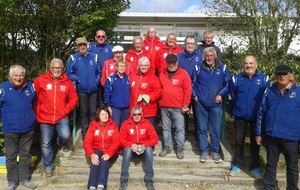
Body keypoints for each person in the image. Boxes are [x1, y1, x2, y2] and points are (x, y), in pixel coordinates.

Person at [256, 64, 300, 190]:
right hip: (272, 135)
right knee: (270, 165)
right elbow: (261, 113)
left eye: (285, 74)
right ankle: (269, 186)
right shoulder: (268, 91)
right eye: (279, 74)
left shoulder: (298, 92)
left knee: (292, 166)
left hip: (291, 138)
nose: (282, 76)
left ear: (291, 75)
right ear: (275, 76)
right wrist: (258, 133)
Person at [34, 58, 78, 177]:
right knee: (45, 142)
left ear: (62, 68)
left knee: (65, 135)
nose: (57, 70)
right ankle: (48, 166)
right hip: (45, 117)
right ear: (50, 68)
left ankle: (59, 143)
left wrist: (66, 110)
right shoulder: (40, 80)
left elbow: (74, 99)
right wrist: (37, 111)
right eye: (55, 68)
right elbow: (34, 96)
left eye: (59, 68)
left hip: (61, 116)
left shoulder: (67, 82)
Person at [229, 56, 270, 178]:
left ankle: (255, 166)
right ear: (243, 65)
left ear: (256, 65)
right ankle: (237, 164)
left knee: (255, 142)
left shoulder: (264, 79)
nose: (249, 65)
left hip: (256, 118)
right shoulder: (236, 79)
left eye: (251, 63)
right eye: (246, 63)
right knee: (238, 141)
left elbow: (267, 98)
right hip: (240, 115)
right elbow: (233, 94)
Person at [0, 65, 36, 190]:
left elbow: (36, 104)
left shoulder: (31, 87)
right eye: (16, 75)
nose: (19, 78)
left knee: (25, 155)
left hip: (28, 128)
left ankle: (25, 179)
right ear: (10, 76)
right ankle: (12, 181)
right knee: (11, 156)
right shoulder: (2, 88)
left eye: (21, 75)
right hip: (10, 129)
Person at [192, 47, 230, 163]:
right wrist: (195, 96)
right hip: (201, 104)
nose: (209, 58)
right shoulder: (198, 67)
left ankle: (214, 151)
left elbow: (228, 85)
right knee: (202, 129)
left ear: (215, 56)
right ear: (204, 57)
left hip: (216, 104)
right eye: (207, 56)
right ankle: (204, 151)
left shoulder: (223, 68)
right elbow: (192, 83)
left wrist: (221, 94)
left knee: (215, 129)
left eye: (211, 56)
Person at [66, 37, 101, 139]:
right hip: (81, 91)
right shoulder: (73, 58)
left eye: (84, 45)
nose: (82, 47)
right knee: (84, 112)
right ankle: (85, 133)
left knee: (93, 112)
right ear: (77, 47)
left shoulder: (94, 57)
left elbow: (99, 72)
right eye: (80, 45)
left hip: (94, 90)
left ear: (87, 45)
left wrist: (96, 82)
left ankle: (93, 131)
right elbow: (68, 73)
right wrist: (78, 80)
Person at [158, 54, 192, 159]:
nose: (171, 64)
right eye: (169, 62)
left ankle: (180, 149)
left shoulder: (184, 74)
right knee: (166, 129)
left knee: (180, 129)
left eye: (174, 62)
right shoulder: (162, 73)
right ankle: (167, 147)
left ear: (177, 62)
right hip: (164, 106)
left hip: (178, 108)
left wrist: (186, 105)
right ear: (166, 62)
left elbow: (188, 91)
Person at [119, 106, 158, 190]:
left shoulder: (147, 123)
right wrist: (131, 144)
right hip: (131, 150)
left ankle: (149, 179)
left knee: (149, 149)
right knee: (127, 149)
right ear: (131, 115)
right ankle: (123, 180)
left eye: (139, 114)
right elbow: (121, 140)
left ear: (142, 114)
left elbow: (155, 139)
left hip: (143, 150)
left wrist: (145, 144)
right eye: (135, 114)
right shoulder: (125, 124)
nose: (137, 116)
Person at [83, 106, 120, 190]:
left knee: (104, 161)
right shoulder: (93, 125)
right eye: (102, 114)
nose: (105, 116)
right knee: (95, 160)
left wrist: (109, 153)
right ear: (98, 116)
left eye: (106, 114)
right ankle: (92, 186)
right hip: (97, 150)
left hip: (110, 151)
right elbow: (87, 142)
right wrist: (91, 154)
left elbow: (116, 142)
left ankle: (101, 185)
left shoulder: (113, 125)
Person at [129, 57, 161, 126]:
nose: (143, 67)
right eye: (142, 65)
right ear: (139, 66)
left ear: (149, 66)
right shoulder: (133, 76)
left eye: (145, 65)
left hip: (148, 111)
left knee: (148, 132)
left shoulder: (153, 78)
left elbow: (158, 92)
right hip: (135, 111)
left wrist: (149, 97)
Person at [104, 61, 130, 127]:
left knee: (124, 128)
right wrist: (108, 107)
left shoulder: (129, 78)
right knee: (115, 127)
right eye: (120, 66)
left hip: (126, 108)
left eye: (123, 66)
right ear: (116, 67)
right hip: (115, 108)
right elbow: (107, 94)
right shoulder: (110, 79)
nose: (122, 68)